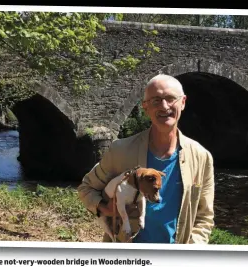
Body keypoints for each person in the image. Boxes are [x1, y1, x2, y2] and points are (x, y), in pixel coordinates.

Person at [77, 74, 215, 244]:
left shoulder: (202, 157)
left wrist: (191, 252)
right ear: (145, 107)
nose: (164, 107)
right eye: (156, 100)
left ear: (183, 102)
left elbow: (204, 217)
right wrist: (104, 208)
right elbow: (87, 188)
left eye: (171, 98)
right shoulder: (121, 150)